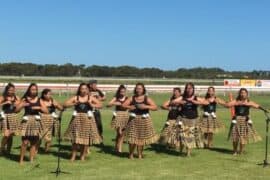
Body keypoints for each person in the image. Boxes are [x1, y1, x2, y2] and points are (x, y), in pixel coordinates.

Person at [64, 83, 102, 161]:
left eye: (85, 89)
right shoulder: (76, 97)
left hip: (88, 119)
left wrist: (92, 104)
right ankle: (73, 156)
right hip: (77, 119)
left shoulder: (90, 98)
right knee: (75, 139)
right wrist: (73, 103)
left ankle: (82, 157)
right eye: (82, 89)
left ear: (87, 90)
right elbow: (65, 104)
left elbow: (100, 105)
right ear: (79, 90)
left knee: (85, 139)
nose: (83, 90)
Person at [123, 82, 158, 159]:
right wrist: (130, 107)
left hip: (144, 120)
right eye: (137, 88)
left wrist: (145, 106)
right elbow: (124, 105)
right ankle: (131, 154)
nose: (138, 90)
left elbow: (155, 107)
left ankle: (139, 155)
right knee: (132, 138)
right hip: (133, 120)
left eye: (140, 88)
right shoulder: (132, 98)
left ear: (143, 90)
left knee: (141, 138)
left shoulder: (146, 98)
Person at [17, 83, 48, 164]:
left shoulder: (39, 100)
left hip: (36, 121)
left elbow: (46, 111)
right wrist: (22, 105)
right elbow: (16, 110)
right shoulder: (24, 99)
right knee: (25, 142)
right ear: (29, 90)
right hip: (26, 121)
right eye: (32, 89)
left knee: (34, 142)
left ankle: (31, 160)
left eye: (35, 90)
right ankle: (21, 160)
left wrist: (39, 107)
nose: (34, 91)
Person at [172, 82, 205, 156]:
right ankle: (180, 150)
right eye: (187, 88)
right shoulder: (182, 97)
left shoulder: (196, 97)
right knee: (182, 136)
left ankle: (188, 153)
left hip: (193, 120)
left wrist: (195, 102)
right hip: (184, 119)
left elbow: (205, 102)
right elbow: (172, 101)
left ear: (193, 89)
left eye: (190, 88)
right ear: (185, 89)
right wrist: (180, 101)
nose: (188, 89)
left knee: (190, 136)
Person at [226, 88, 262, 155]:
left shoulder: (249, 102)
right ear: (239, 94)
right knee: (235, 137)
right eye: (241, 93)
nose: (243, 94)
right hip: (236, 120)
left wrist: (263, 109)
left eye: (244, 93)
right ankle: (235, 151)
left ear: (246, 94)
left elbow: (256, 105)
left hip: (245, 120)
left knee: (243, 137)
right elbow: (228, 105)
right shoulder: (236, 101)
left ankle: (241, 151)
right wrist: (233, 103)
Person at [107, 85, 129, 153]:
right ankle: (117, 147)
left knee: (122, 134)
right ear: (119, 92)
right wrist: (114, 103)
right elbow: (108, 105)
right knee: (119, 133)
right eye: (121, 91)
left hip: (125, 116)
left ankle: (119, 148)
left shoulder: (128, 98)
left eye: (124, 91)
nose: (122, 93)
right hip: (118, 116)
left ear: (125, 92)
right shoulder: (116, 98)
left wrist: (127, 108)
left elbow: (131, 106)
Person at [0, 83, 20, 155]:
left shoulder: (16, 97)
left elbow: (19, 107)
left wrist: (17, 104)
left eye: (13, 90)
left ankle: (8, 150)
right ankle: (1, 149)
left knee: (11, 135)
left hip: (13, 117)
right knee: (6, 135)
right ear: (7, 90)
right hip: (5, 117)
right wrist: (5, 103)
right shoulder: (3, 97)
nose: (11, 91)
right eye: (10, 90)